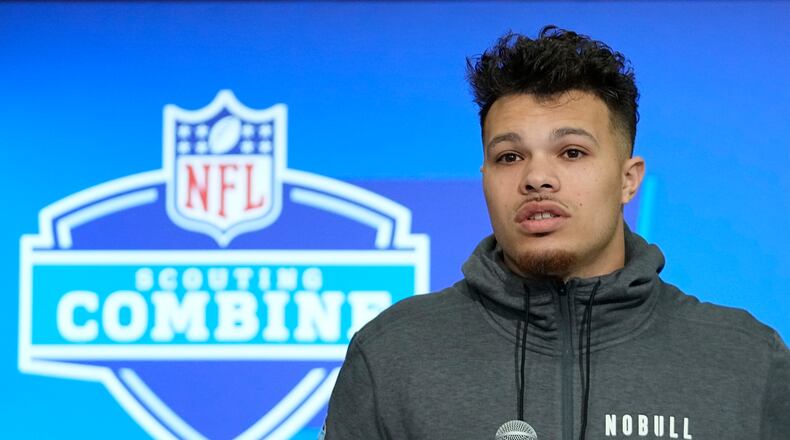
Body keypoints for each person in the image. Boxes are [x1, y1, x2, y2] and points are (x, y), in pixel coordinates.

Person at [322, 26, 790, 440]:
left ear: (629, 179)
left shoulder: (747, 359)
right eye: (509, 156)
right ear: (485, 176)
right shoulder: (392, 354)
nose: (536, 178)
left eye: (571, 153)